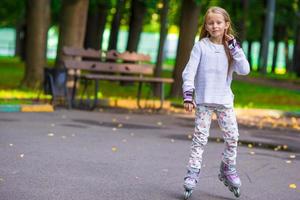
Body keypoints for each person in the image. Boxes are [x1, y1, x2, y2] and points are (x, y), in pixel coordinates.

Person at [181, 6, 250, 199]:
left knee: (232, 137)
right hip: (203, 101)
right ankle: (192, 173)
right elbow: (189, 72)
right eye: (211, 23)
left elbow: (245, 70)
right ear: (206, 26)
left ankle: (227, 168)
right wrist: (188, 96)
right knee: (200, 139)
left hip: (224, 102)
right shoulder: (201, 46)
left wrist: (236, 49)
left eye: (219, 22)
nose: (215, 25)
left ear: (226, 24)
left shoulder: (231, 48)